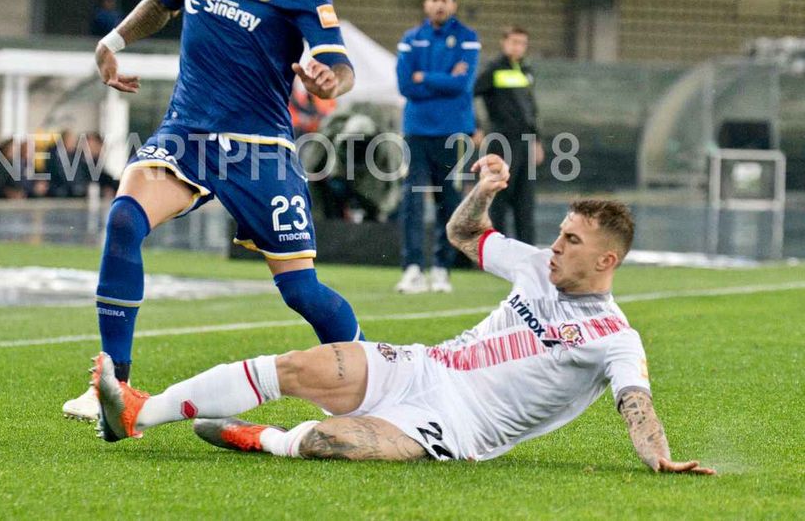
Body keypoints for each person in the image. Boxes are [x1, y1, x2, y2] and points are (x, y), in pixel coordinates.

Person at [90, 154, 716, 477]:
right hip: (422, 366)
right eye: (559, 233)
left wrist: (657, 457)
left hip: (457, 426)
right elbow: (464, 234)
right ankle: (139, 412)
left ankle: (264, 439)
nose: (555, 246)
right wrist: (483, 193)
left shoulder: (615, 339)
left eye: (571, 241)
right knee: (299, 365)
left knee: (336, 442)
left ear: (606, 260)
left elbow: (636, 405)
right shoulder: (535, 265)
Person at [63, 0, 364, 423]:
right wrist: (113, 41)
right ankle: (113, 386)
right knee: (124, 218)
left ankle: (377, 381)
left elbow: (338, 63)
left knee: (301, 291)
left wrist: (331, 81)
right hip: (188, 134)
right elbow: (163, 1)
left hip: (260, 148)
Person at [394, 0, 480, 294]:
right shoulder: (410, 39)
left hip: (453, 132)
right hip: (416, 131)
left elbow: (462, 84)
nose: (439, 4)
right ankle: (413, 268)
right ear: (426, 4)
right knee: (412, 201)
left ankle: (442, 269)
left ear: (453, 5)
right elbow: (405, 85)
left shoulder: (468, 38)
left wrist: (425, 77)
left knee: (450, 201)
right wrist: (443, 79)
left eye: (444, 0)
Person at [475, 26, 542, 244]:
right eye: (514, 42)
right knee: (499, 199)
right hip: (502, 141)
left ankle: (528, 251)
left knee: (525, 201)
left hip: (525, 142)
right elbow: (469, 95)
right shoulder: (494, 70)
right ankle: (498, 250)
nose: (518, 47)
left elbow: (531, 109)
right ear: (504, 43)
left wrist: (537, 140)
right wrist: (475, 127)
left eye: (522, 43)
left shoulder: (526, 71)